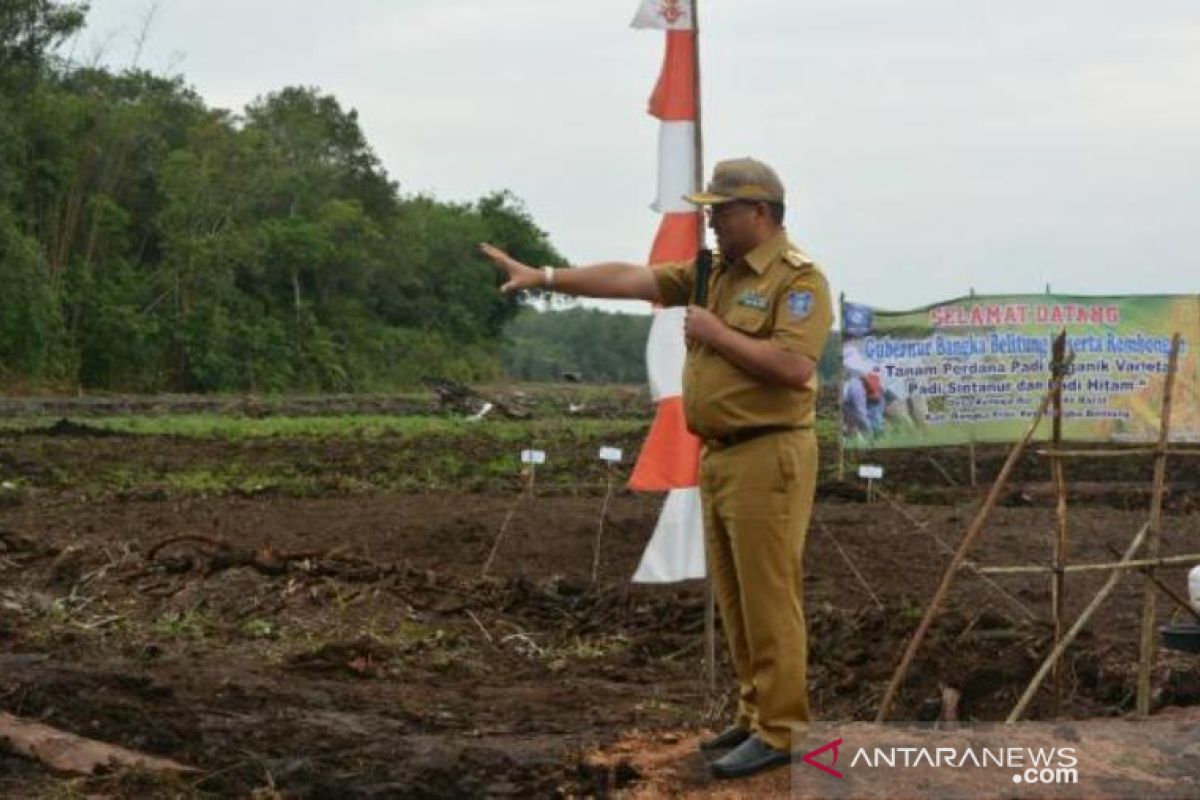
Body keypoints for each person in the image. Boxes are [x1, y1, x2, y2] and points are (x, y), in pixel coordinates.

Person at [480, 158, 833, 780]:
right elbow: (633, 278)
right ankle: (754, 714)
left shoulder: (798, 280)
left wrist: (716, 333)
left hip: (768, 451)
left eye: (721, 210)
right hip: (721, 454)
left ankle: (779, 728)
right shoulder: (711, 272)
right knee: (736, 595)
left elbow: (794, 369)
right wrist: (545, 275)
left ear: (761, 212)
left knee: (769, 594)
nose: (711, 221)